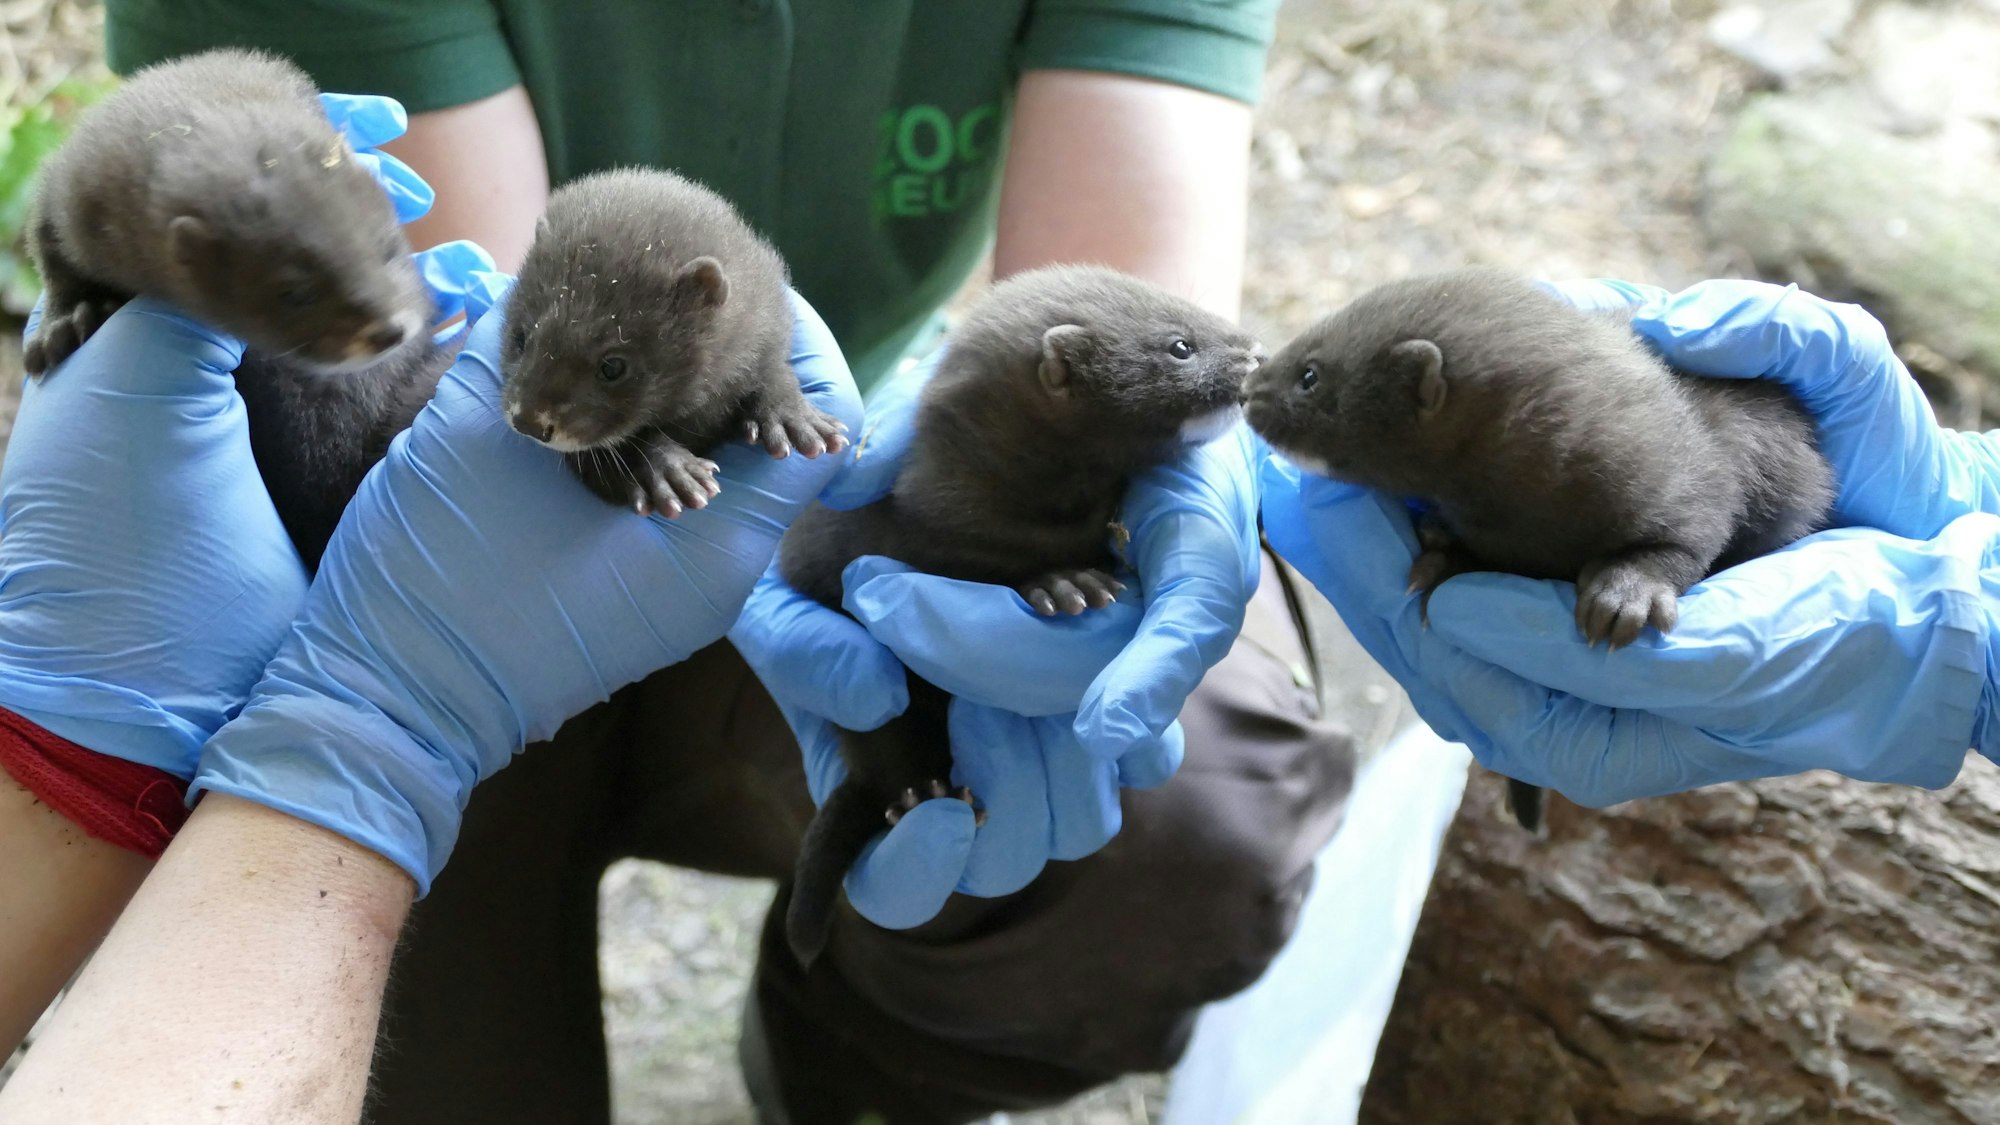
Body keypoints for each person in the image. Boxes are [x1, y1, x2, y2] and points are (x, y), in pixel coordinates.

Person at [17, 4, 1365, 1123]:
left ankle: (845, 1069)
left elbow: (1107, 313)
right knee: (411, 1033)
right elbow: (482, 392)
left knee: (1184, 803)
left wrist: (1103, 501)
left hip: (812, 503)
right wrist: (329, 737)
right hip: (402, 563)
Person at [1260, 277, 2000, 808]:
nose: (1257, 390)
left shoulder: (1628, 463)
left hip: (1742, 528)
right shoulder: (1538, 450)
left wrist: (1655, 566)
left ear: (1423, 387)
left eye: (1311, 380)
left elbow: (1698, 504)